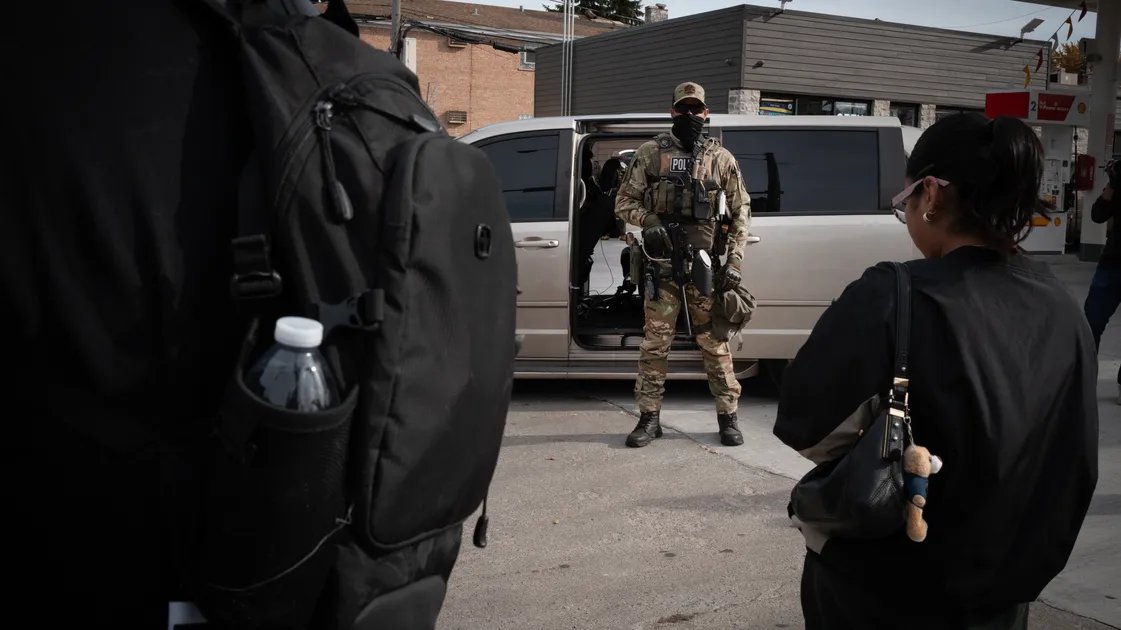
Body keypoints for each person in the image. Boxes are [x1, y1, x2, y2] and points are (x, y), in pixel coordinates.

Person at [773, 112, 1099, 629]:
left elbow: (803, 424)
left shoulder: (889, 294)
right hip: (1003, 596)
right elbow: (1076, 456)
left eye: (905, 206)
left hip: (884, 588)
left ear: (929, 194)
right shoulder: (1063, 308)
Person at [614, 81, 752, 448]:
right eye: (683, 109)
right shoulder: (649, 153)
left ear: (706, 113)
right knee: (655, 345)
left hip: (705, 268)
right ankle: (649, 418)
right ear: (672, 112)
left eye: (696, 109)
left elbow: (741, 213)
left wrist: (734, 261)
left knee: (714, 344)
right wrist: (650, 221)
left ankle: (728, 418)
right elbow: (624, 201)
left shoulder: (721, 159)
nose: (689, 116)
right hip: (661, 268)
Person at [1082, 159, 1121, 402]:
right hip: (1112, 264)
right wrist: (1113, 184)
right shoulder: (1119, 180)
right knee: (1090, 325)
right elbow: (1097, 215)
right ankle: (1083, 381)